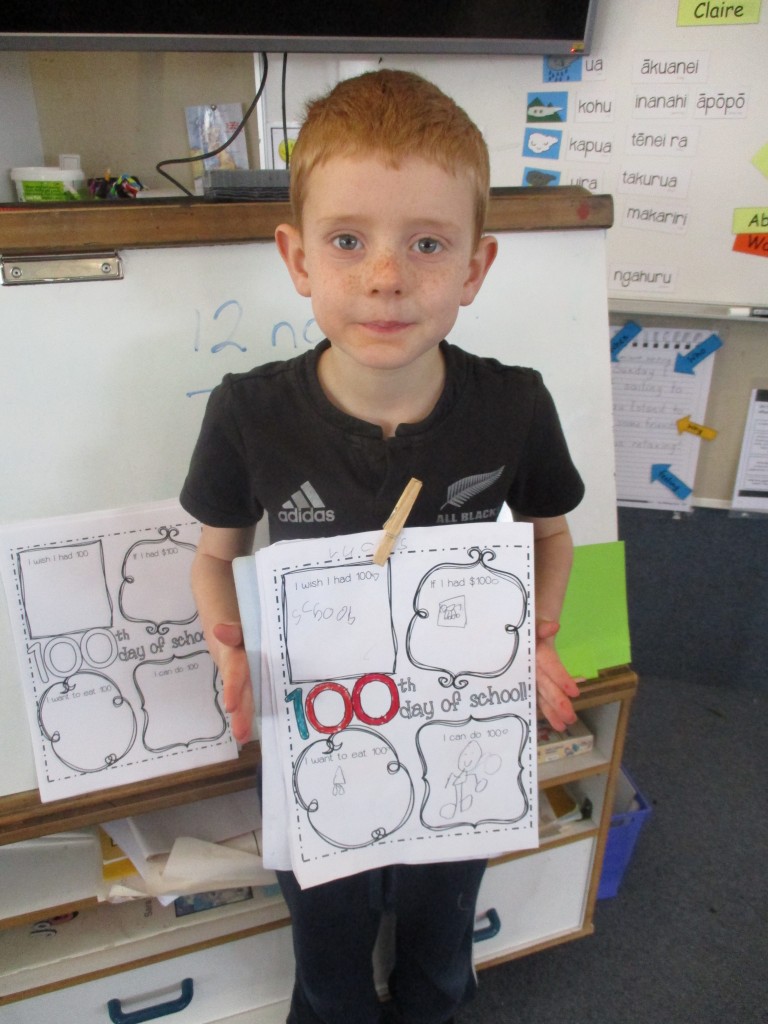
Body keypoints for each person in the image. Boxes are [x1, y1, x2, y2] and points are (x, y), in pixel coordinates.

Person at [180, 69, 584, 1024]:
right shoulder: (249, 413)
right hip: (317, 730)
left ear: (476, 268)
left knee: (441, 948)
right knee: (328, 960)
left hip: (460, 732)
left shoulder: (515, 405)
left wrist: (535, 635)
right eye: (348, 240)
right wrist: (230, 647)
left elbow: (552, 534)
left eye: (428, 244)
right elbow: (213, 556)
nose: (387, 277)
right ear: (297, 257)